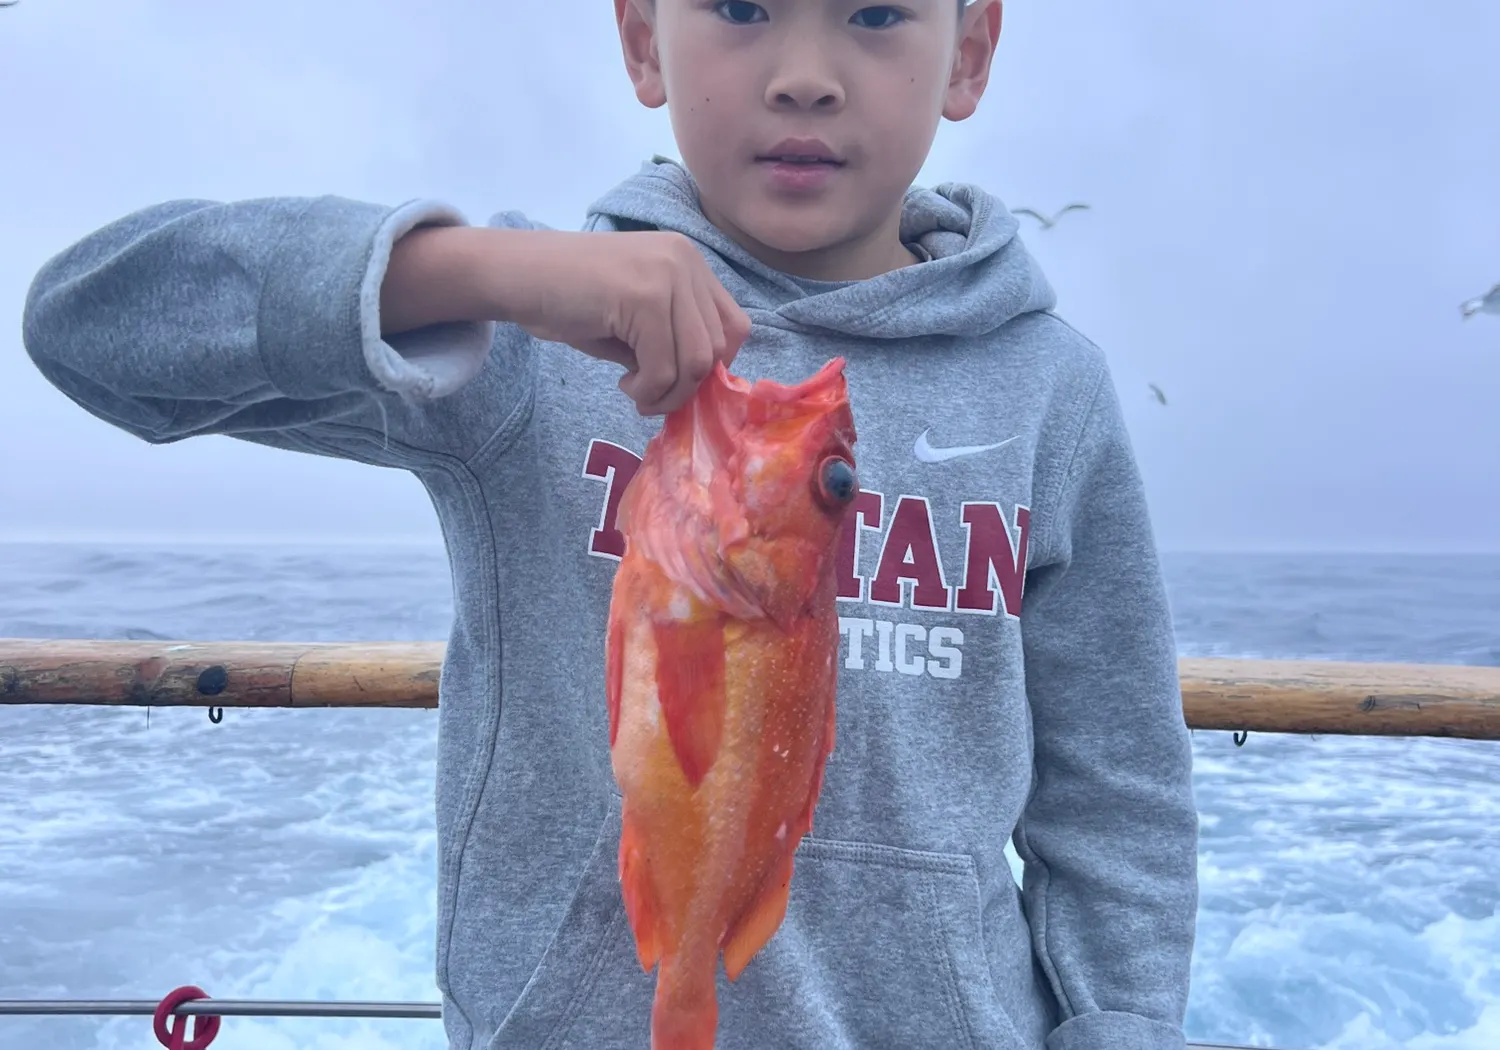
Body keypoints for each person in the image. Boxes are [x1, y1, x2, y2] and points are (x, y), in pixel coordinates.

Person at [20, 1, 1199, 1048]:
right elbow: (93, 327)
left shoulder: (1049, 391)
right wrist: (472, 274)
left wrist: (1126, 1029)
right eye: (742, 6)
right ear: (642, 38)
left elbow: (1118, 791)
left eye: (877, 13)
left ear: (970, 51)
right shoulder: (531, 336)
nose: (804, 71)